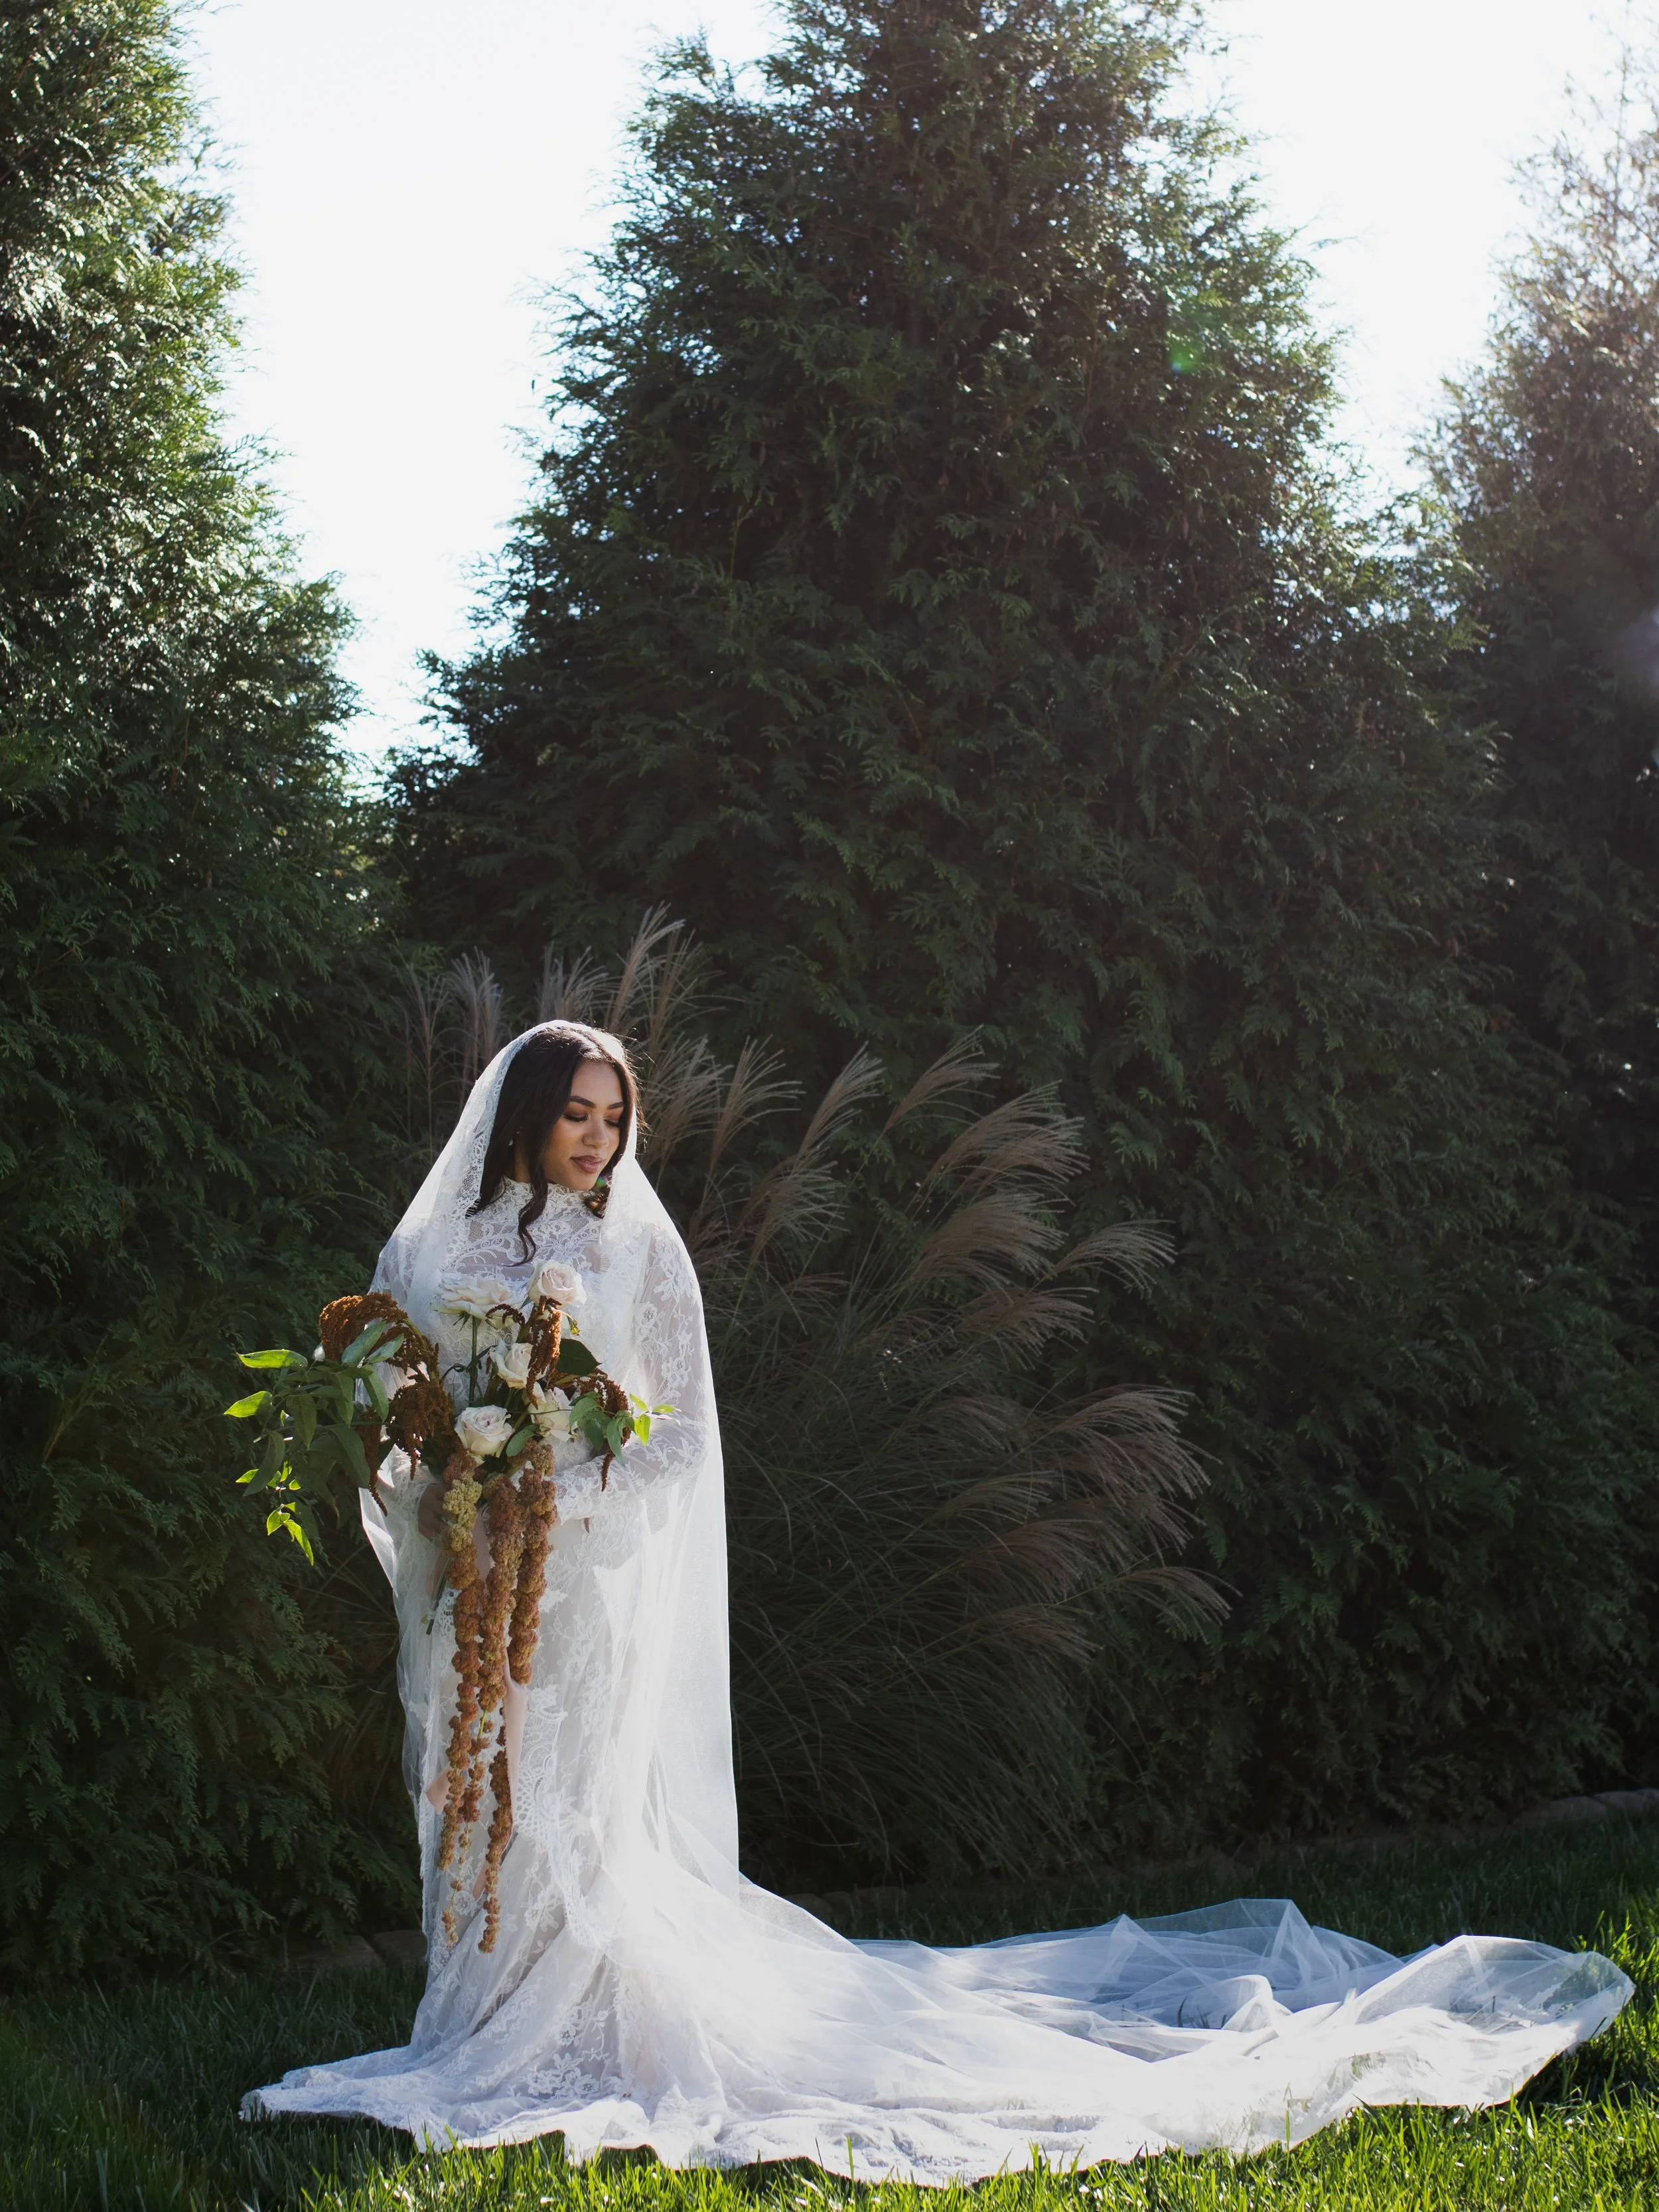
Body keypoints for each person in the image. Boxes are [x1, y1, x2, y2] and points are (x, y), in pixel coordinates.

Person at [246, 1021, 1630, 2181]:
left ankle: (584, 2017)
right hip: (472, 1566)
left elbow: (668, 1432)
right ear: (525, 1119)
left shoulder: (629, 1253)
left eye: (614, 1116)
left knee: (567, 1795)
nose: (598, 1138)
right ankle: (478, 2007)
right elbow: (386, 1383)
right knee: (473, 1778)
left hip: (580, 1573)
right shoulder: (441, 1244)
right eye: (577, 1116)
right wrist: (444, 1458)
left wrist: (562, 1462)